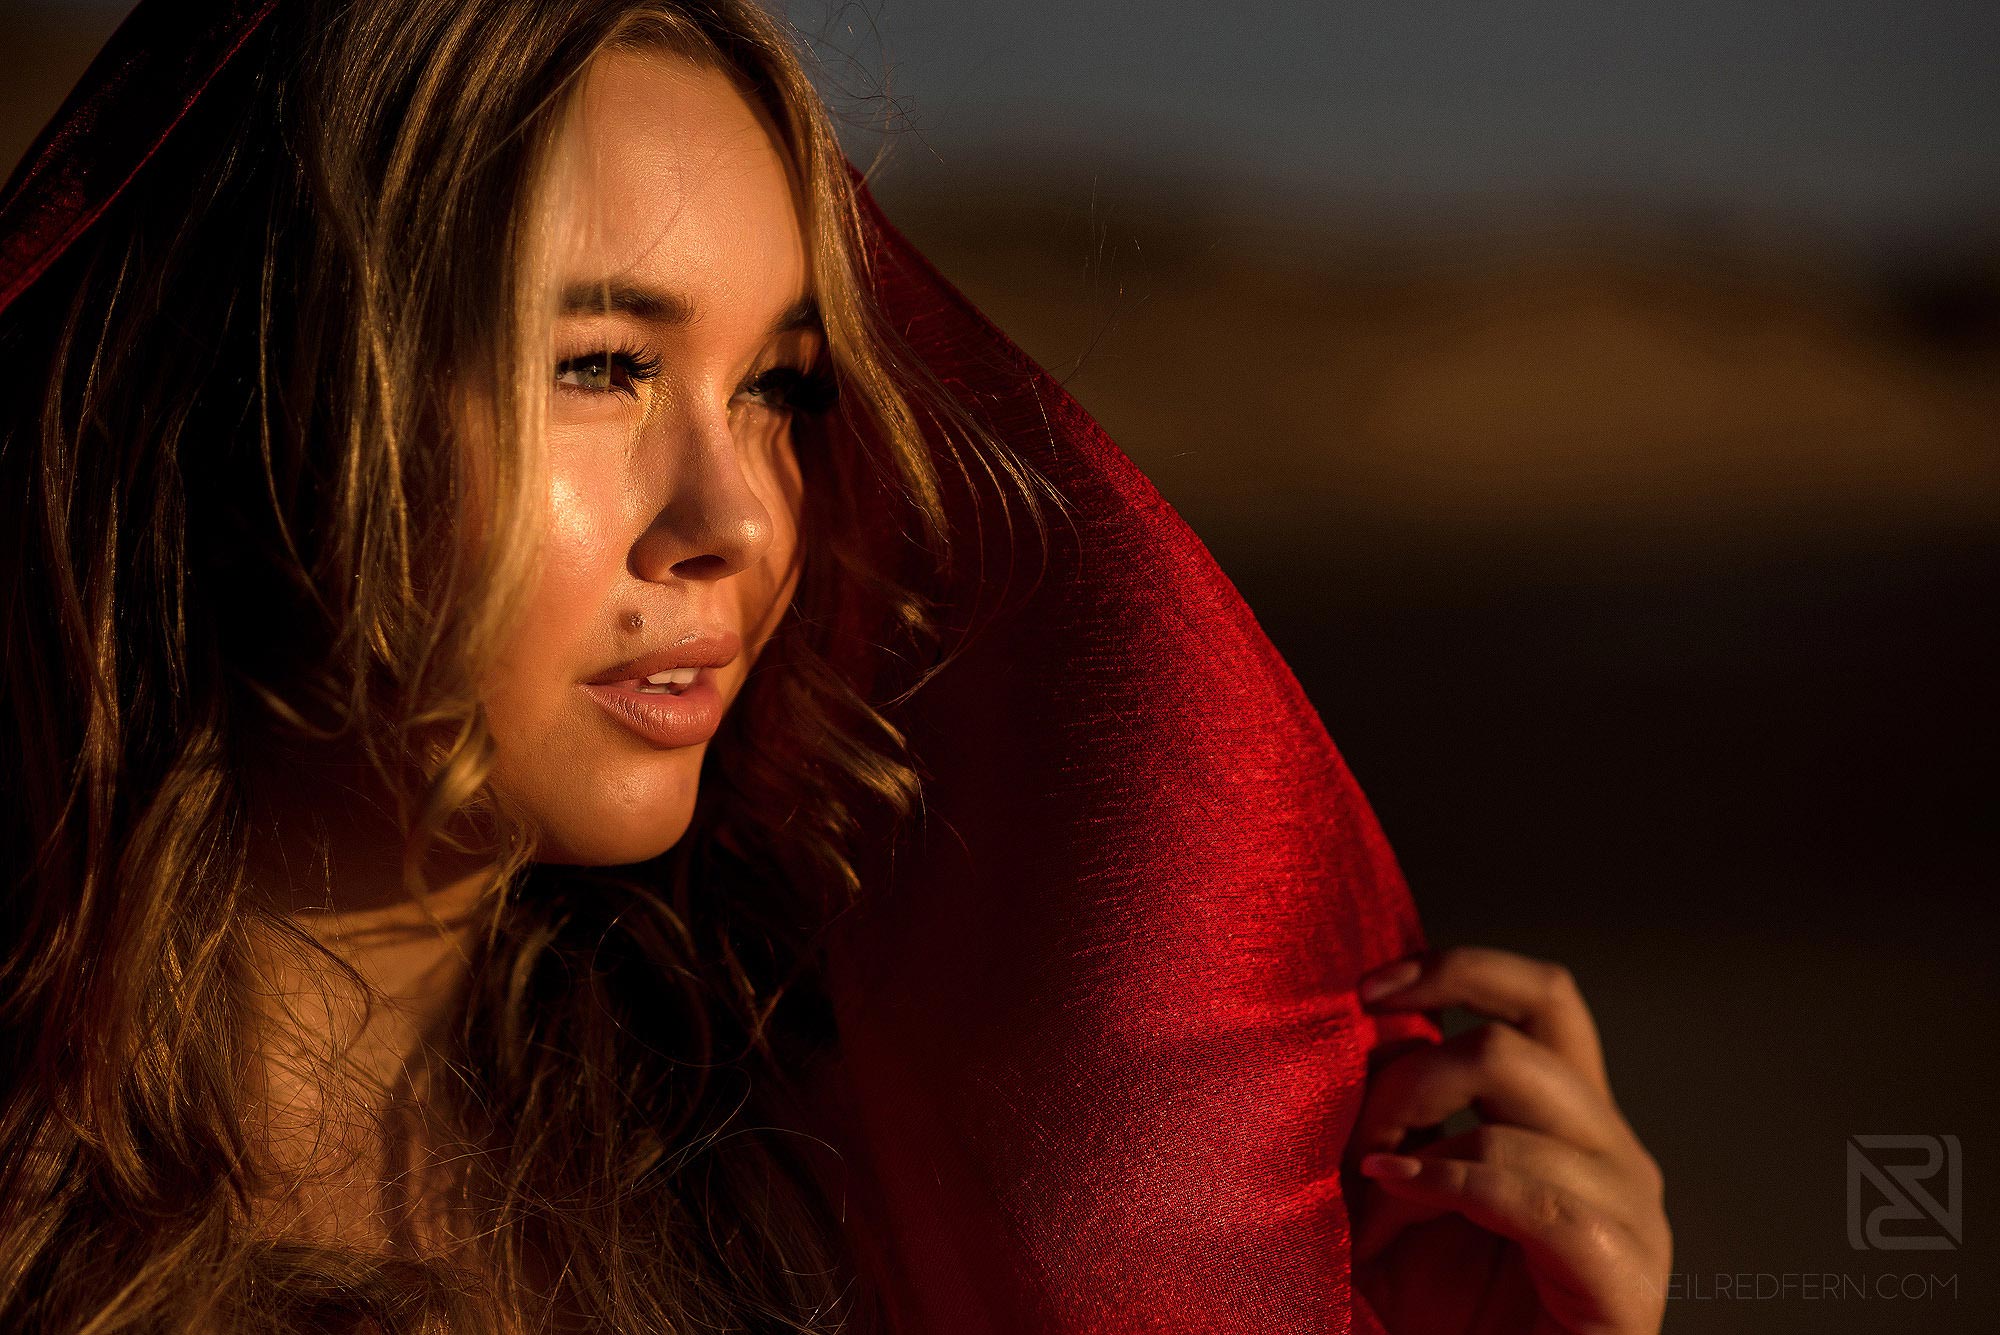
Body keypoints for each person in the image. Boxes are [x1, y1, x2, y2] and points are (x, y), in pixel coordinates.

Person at [0, 1, 1670, 1331]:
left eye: (782, 391)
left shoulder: (821, 1195)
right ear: (254, 385)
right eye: (602, 364)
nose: (733, 522)